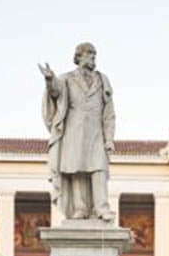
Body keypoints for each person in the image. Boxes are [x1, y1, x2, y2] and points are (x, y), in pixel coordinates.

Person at [39, 42, 116, 222]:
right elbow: (56, 91)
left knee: (99, 168)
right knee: (76, 169)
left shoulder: (102, 79)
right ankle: (80, 208)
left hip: (96, 130)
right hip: (73, 129)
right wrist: (50, 79)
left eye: (94, 54)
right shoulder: (67, 78)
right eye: (89, 53)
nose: (92, 57)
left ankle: (102, 208)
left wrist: (109, 138)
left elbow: (109, 113)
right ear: (78, 57)